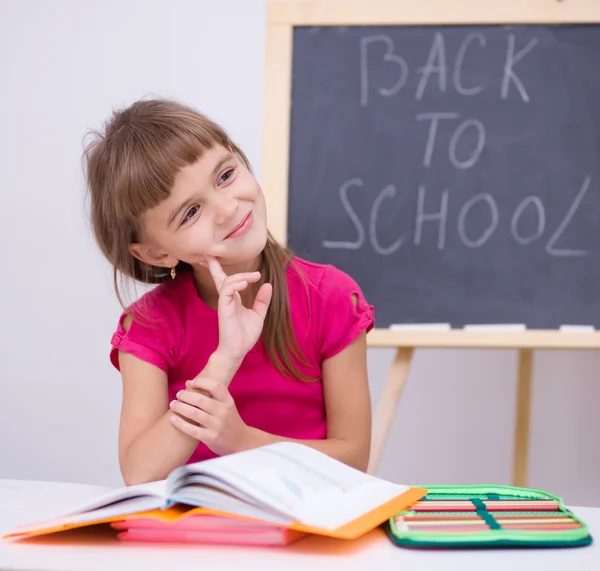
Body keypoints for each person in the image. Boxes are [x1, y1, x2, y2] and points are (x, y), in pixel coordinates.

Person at [84, 98, 375, 485]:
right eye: (190, 212)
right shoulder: (150, 325)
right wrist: (226, 358)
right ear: (157, 252)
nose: (226, 208)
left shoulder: (332, 298)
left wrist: (242, 441)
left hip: (308, 531)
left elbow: (353, 460)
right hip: (201, 535)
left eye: (225, 175)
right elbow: (140, 473)